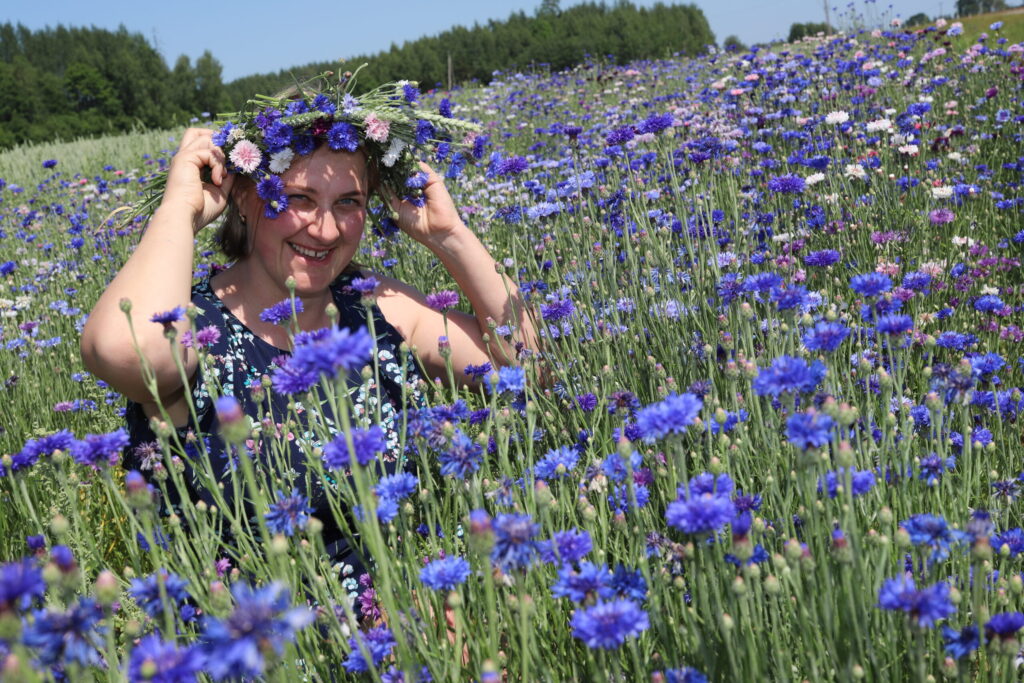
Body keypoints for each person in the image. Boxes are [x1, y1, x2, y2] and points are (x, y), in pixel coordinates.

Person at [79, 79, 537, 592]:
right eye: (298, 198)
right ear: (248, 197)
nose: (325, 229)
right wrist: (179, 211)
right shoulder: (193, 330)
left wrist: (448, 236)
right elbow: (123, 350)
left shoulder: (374, 306)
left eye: (348, 202)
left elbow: (522, 367)